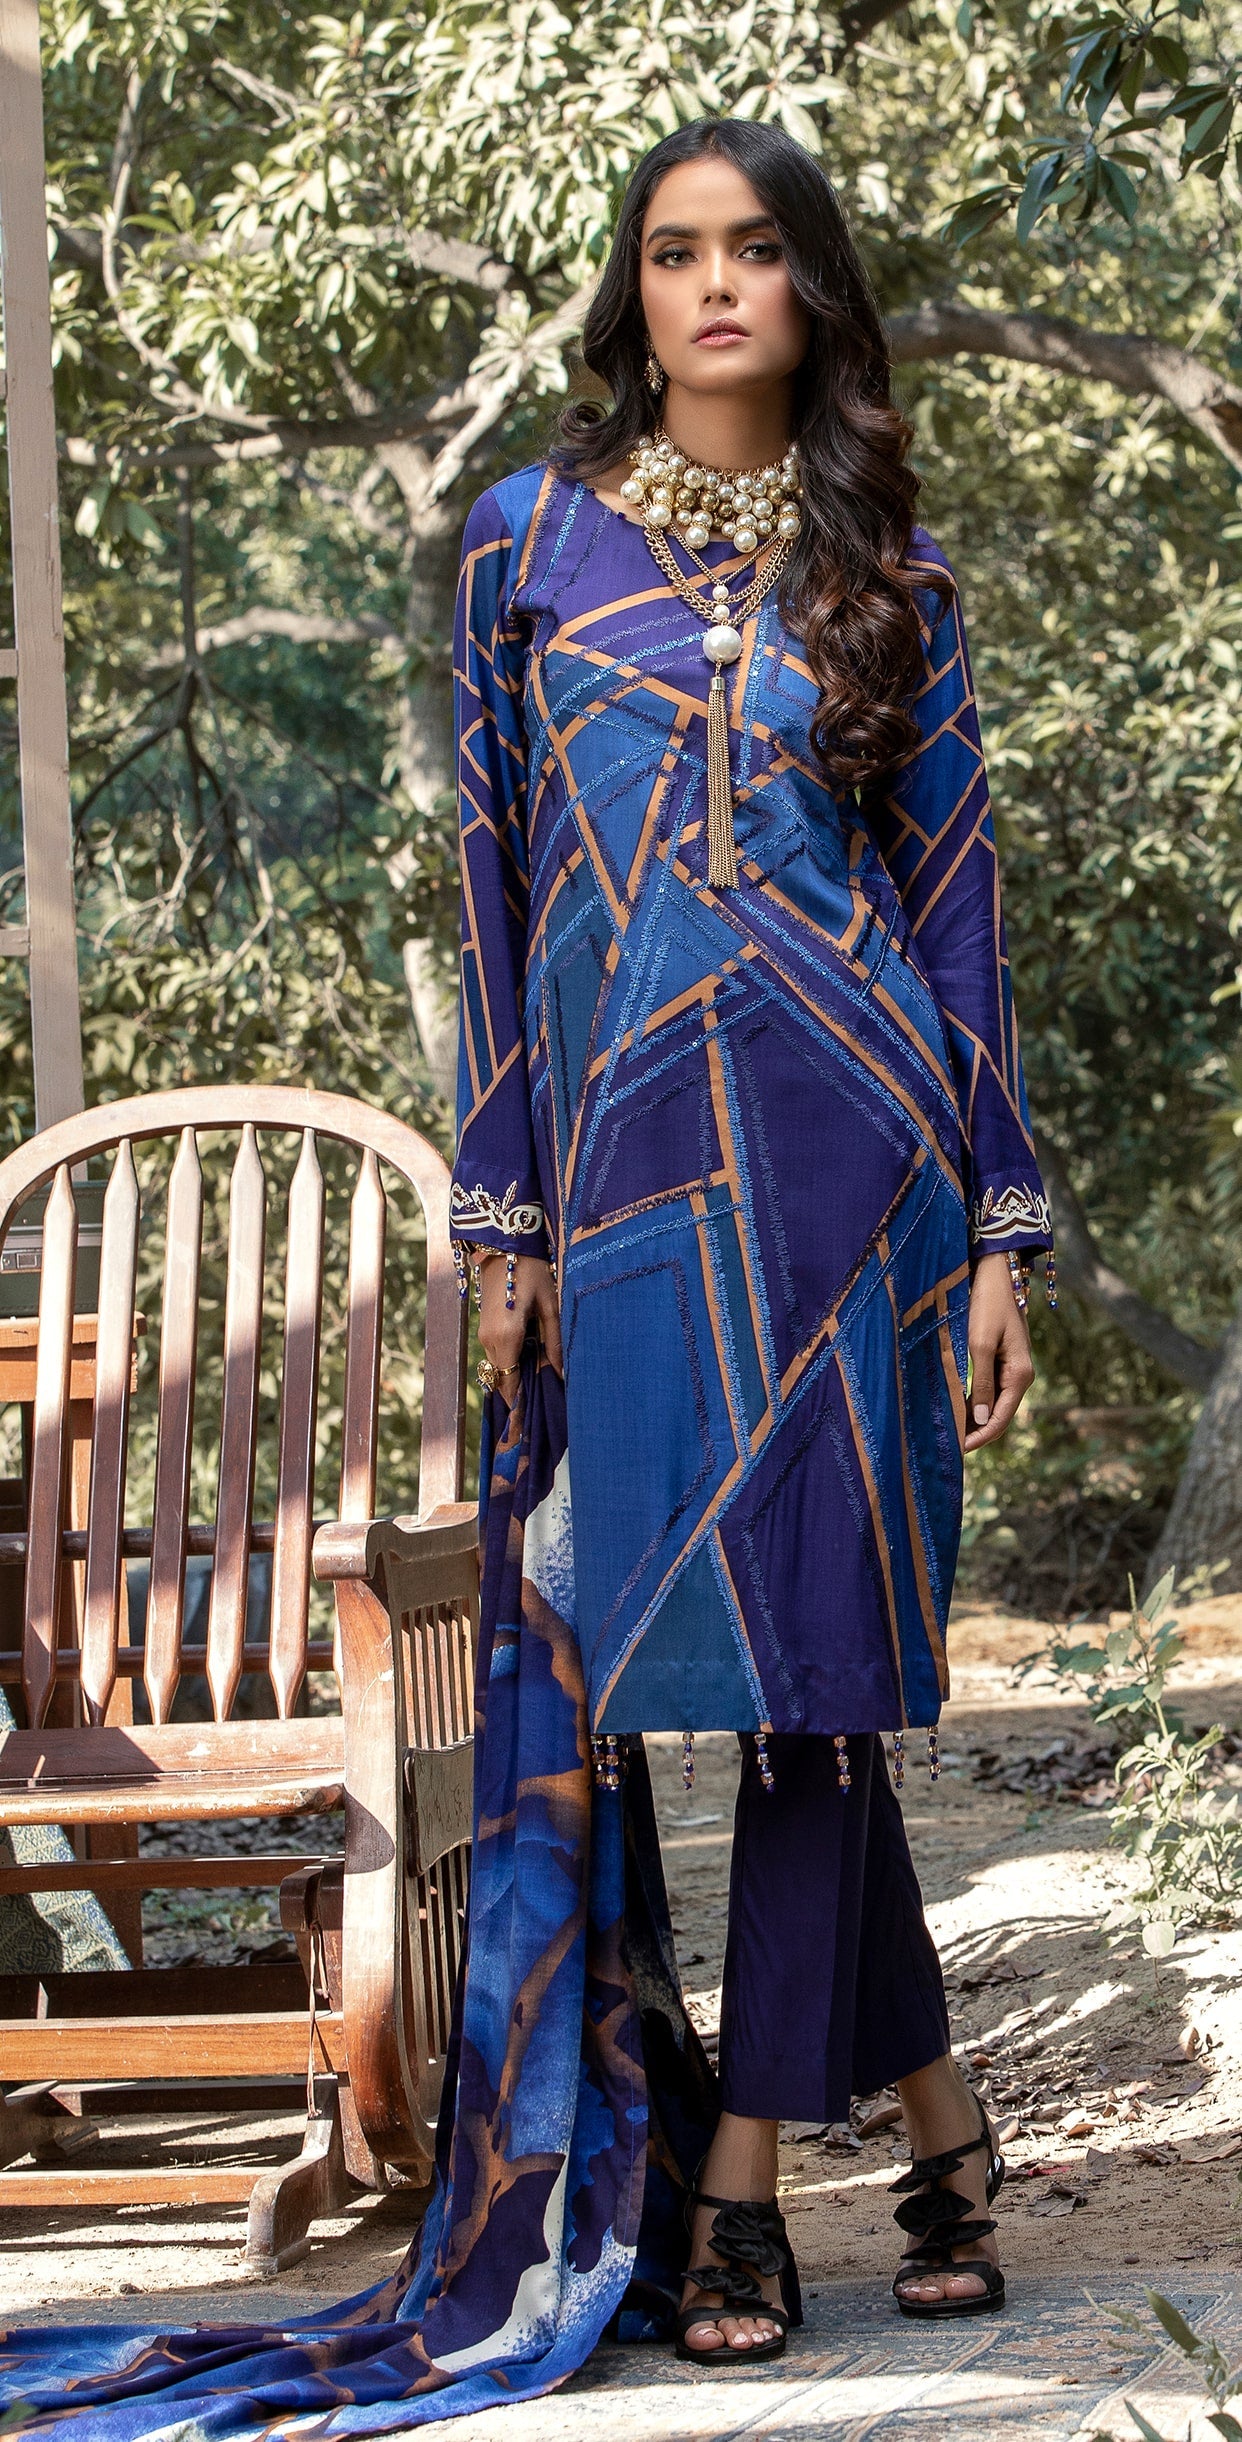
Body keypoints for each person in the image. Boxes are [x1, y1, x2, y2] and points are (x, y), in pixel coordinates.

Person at [451, 114, 1054, 2366]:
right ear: (636, 290)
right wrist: (501, 1209)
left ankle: (737, 2195)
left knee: (819, 1693)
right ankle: (944, 2124)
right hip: (627, 1197)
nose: (713, 284)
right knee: (720, 1679)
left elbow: (955, 915)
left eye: (754, 248)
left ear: (813, 286)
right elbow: (493, 897)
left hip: (859, 1182)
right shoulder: (526, 546)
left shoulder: (894, 577)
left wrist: (999, 1230)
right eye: (672, 250)